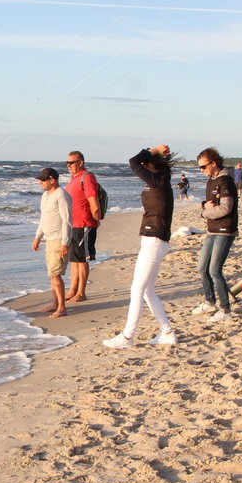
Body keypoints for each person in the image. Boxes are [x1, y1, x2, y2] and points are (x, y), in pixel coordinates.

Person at [103, 144, 176, 349]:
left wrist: (154, 149)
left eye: (146, 162)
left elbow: (133, 162)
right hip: (153, 239)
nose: (142, 165)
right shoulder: (158, 180)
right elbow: (138, 162)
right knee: (147, 291)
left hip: (154, 240)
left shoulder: (159, 180)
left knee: (137, 289)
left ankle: (127, 336)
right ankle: (167, 332)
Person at [192, 148, 238, 322]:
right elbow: (210, 204)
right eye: (199, 168)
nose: (201, 171)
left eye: (203, 167)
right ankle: (209, 301)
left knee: (214, 270)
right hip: (212, 229)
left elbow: (226, 207)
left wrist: (204, 213)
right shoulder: (211, 180)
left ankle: (225, 310)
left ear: (214, 163)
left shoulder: (225, 180)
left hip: (225, 230)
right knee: (202, 268)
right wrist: (205, 207)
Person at [32, 168, 72, 318]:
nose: (40, 183)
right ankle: (55, 303)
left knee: (56, 274)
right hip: (49, 239)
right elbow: (44, 218)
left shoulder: (61, 195)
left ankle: (62, 307)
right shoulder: (45, 196)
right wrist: (38, 237)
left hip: (59, 239)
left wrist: (65, 242)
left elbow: (67, 220)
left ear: (52, 180)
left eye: (42, 180)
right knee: (52, 274)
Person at [64, 151, 100, 302]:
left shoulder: (87, 177)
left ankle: (81, 292)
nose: (68, 166)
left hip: (84, 224)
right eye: (67, 163)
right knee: (74, 259)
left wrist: (95, 221)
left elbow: (94, 204)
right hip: (73, 225)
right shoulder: (74, 179)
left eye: (71, 163)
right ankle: (73, 289)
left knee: (82, 260)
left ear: (80, 162)